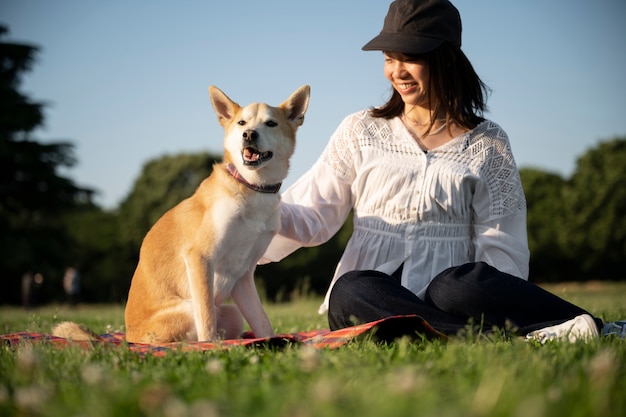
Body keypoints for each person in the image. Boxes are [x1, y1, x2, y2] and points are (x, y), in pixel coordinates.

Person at [260, 0, 625, 342]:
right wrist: (245, 220)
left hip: (451, 298)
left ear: (445, 59)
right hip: (377, 300)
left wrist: (493, 298)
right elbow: (313, 211)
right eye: (389, 58)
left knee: (457, 286)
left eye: (410, 59)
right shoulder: (361, 129)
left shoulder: (488, 143)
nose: (396, 72)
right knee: (351, 290)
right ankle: (516, 339)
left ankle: (594, 326)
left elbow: (503, 243)